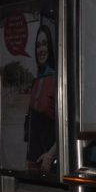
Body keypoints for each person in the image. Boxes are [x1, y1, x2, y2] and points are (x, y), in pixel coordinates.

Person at [24, 24, 57, 172]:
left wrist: (50, 155)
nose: (41, 50)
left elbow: (66, 126)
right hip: (32, 163)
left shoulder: (57, 79)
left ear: (50, 46)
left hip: (47, 163)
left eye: (44, 44)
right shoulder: (36, 81)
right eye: (38, 45)